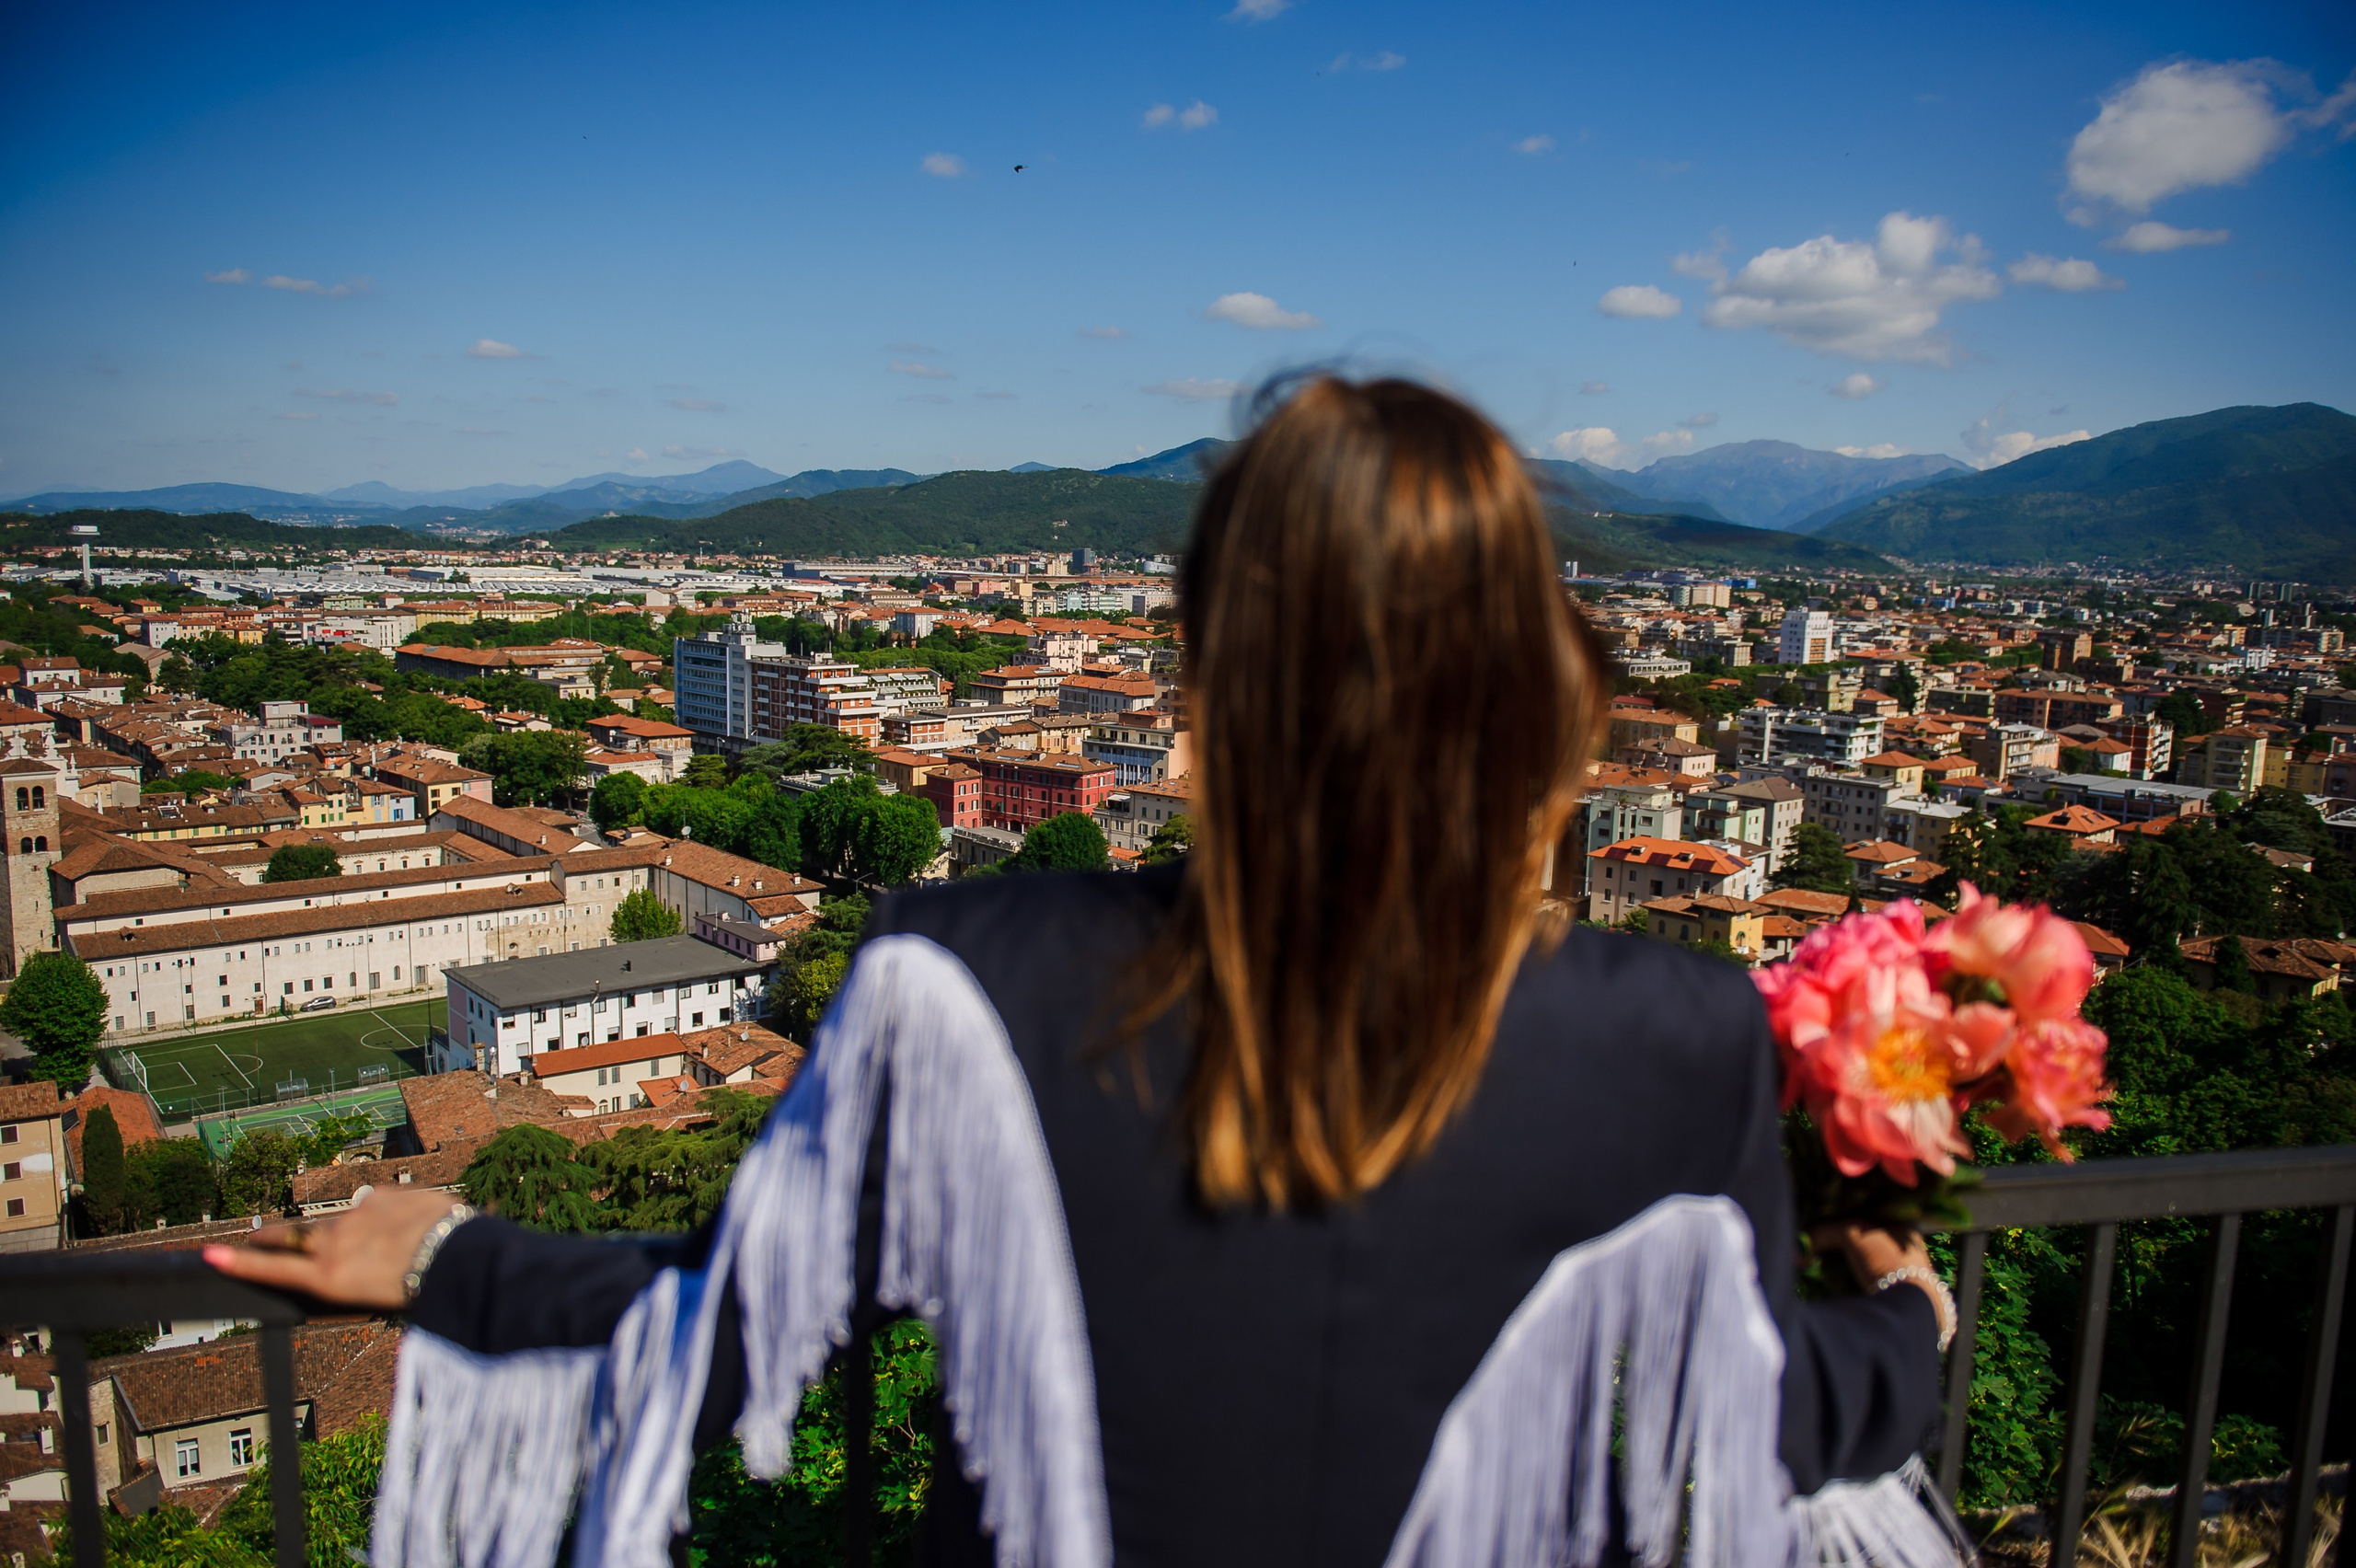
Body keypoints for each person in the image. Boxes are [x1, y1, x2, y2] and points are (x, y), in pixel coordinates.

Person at [213, 375, 1957, 1567]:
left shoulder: (964, 983)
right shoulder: (1671, 1035)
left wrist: (444, 1250)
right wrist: (1912, 1323)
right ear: (1530, 684)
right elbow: (1743, 1425)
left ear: (1207, 674)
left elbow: (727, 1330)